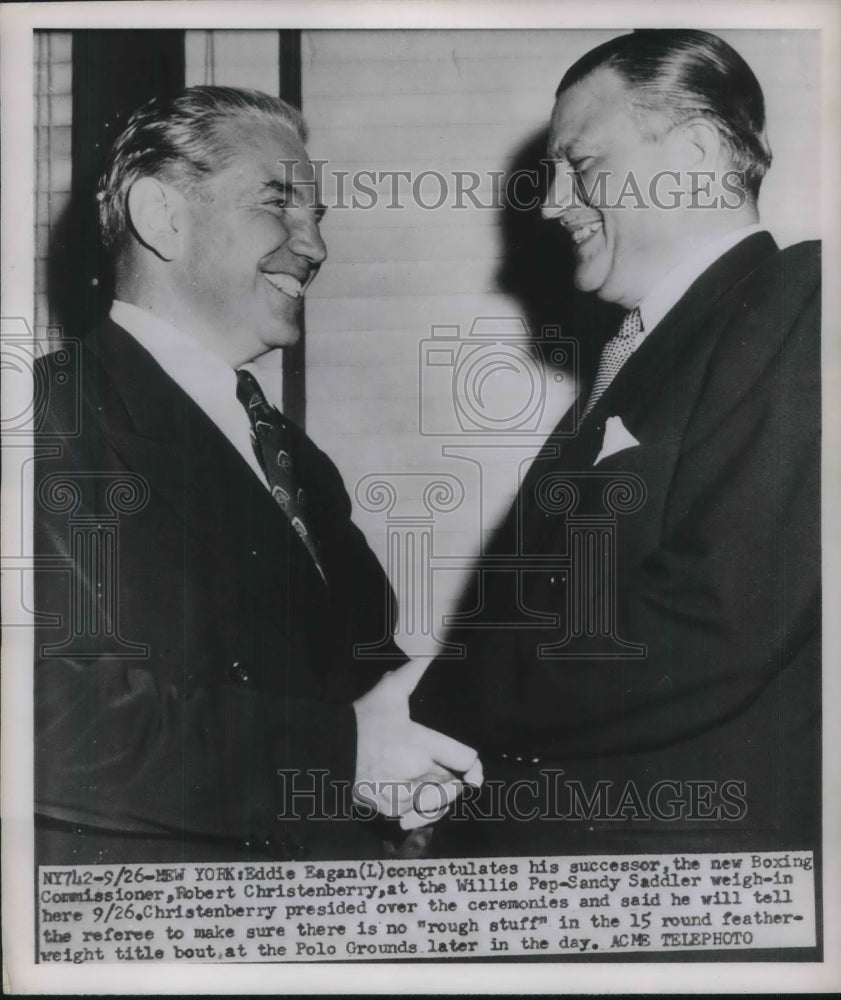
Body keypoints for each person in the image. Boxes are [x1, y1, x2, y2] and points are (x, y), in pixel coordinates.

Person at [34, 86, 479, 865]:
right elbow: (43, 726)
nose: (313, 246)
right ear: (160, 215)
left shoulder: (292, 457)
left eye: (318, 217)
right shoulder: (44, 424)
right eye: (279, 203)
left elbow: (358, 678)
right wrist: (342, 757)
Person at [411, 30, 820, 858]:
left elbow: (716, 616)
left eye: (582, 165)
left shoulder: (797, 305)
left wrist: (426, 716)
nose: (551, 201)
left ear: (699, 153)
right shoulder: (646, 354)